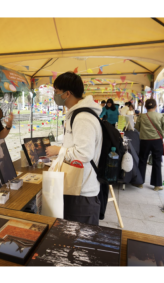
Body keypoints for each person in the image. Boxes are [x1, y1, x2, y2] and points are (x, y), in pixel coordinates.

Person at [43, 72, 103, 225]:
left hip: (82, 193)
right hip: (77, 188)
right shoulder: (77, 114)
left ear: (67, 93)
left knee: (79, 242)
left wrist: (59, 151)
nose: (54, 95)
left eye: (56, 91)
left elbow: (84, 154)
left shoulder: (82, 117)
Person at [135, 98, 164, 190]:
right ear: (156, 106)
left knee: (142, 160)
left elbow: (137, 128)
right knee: (157, 162)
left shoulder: (141, 116)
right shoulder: (161, 116)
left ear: (145, 106)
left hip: (144, 141)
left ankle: (140, 182)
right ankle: (157, 185)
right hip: (157, 141)